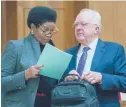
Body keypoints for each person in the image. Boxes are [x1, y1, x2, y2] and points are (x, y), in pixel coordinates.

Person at [64, 9, 126, 107]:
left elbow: (124, 82)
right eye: (76, 25)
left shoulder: (114, 50)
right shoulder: (68, 54)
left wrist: (102, 78)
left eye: (83, 24)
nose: (78, 28)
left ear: (96, 29)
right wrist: (66, 79)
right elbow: (56, 85)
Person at [1, 6, 58, 107]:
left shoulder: (52, 50)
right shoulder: (15, 47)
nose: (49, 34)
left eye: (52, 30)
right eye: (45, 30)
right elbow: (2, 83)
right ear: (32, 27)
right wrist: (25, 75)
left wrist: (66, 77)